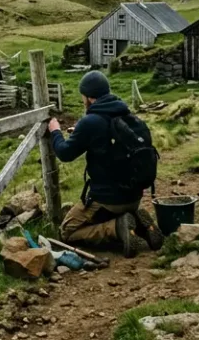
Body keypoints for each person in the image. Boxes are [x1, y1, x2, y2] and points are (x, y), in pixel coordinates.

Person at [47, 70, 163, 257]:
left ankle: (117, 228)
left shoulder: (90, 122)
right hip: (134, 196)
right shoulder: (127, 116)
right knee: (113, 209)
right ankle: (138, 224)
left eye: (83, 96)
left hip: (107, 200)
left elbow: (65, 153)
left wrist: (55, 132)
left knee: (67, 231)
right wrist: (81, 131)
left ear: (89, 97)